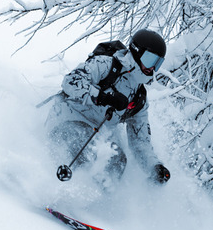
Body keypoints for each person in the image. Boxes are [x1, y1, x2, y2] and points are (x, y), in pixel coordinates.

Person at [46, 29, 171, 187]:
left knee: (117, 160)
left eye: (157, 63)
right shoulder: (106, 65)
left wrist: (155, 167)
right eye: (149, 59)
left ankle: (90, 204)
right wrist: (102, 97)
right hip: (65, 120)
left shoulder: (139, 99)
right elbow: (71, 80)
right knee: (86, 146)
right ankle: (54, 188)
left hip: (95, 136)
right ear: (136, 52)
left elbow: (140, 142)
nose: (151, 68)